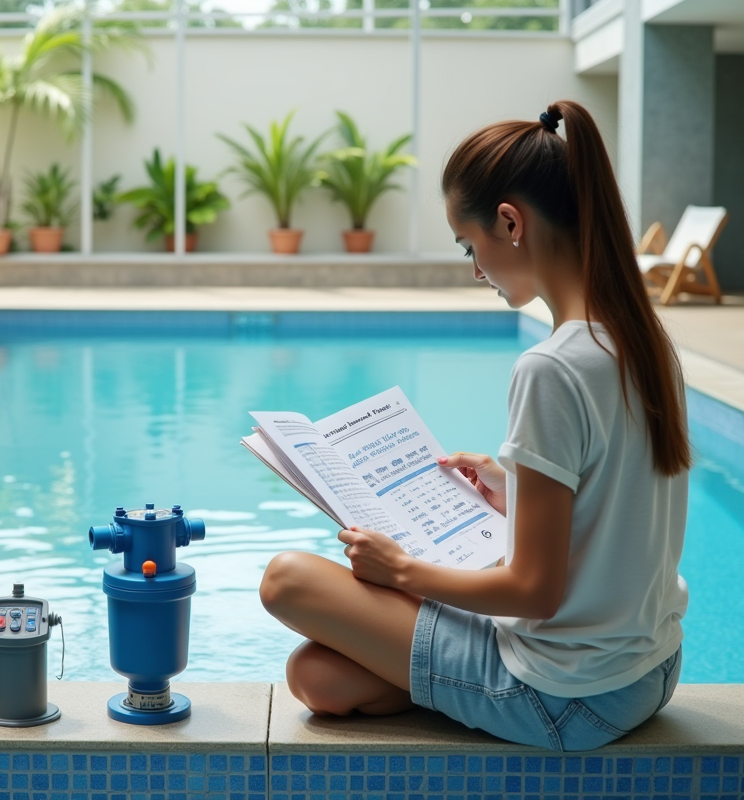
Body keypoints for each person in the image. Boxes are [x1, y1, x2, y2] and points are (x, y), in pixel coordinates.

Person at [258, 100, 690, 752]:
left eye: (471, 245)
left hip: (562, 697)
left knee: (287, 579)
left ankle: (468, 691)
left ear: (510, 222)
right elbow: (623, 510)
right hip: (649, 673)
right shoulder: (644, 342)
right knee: (318, 676)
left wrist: (400, 570)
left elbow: (533, 591)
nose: (476, 270)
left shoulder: (553, 367)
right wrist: (512, 490)